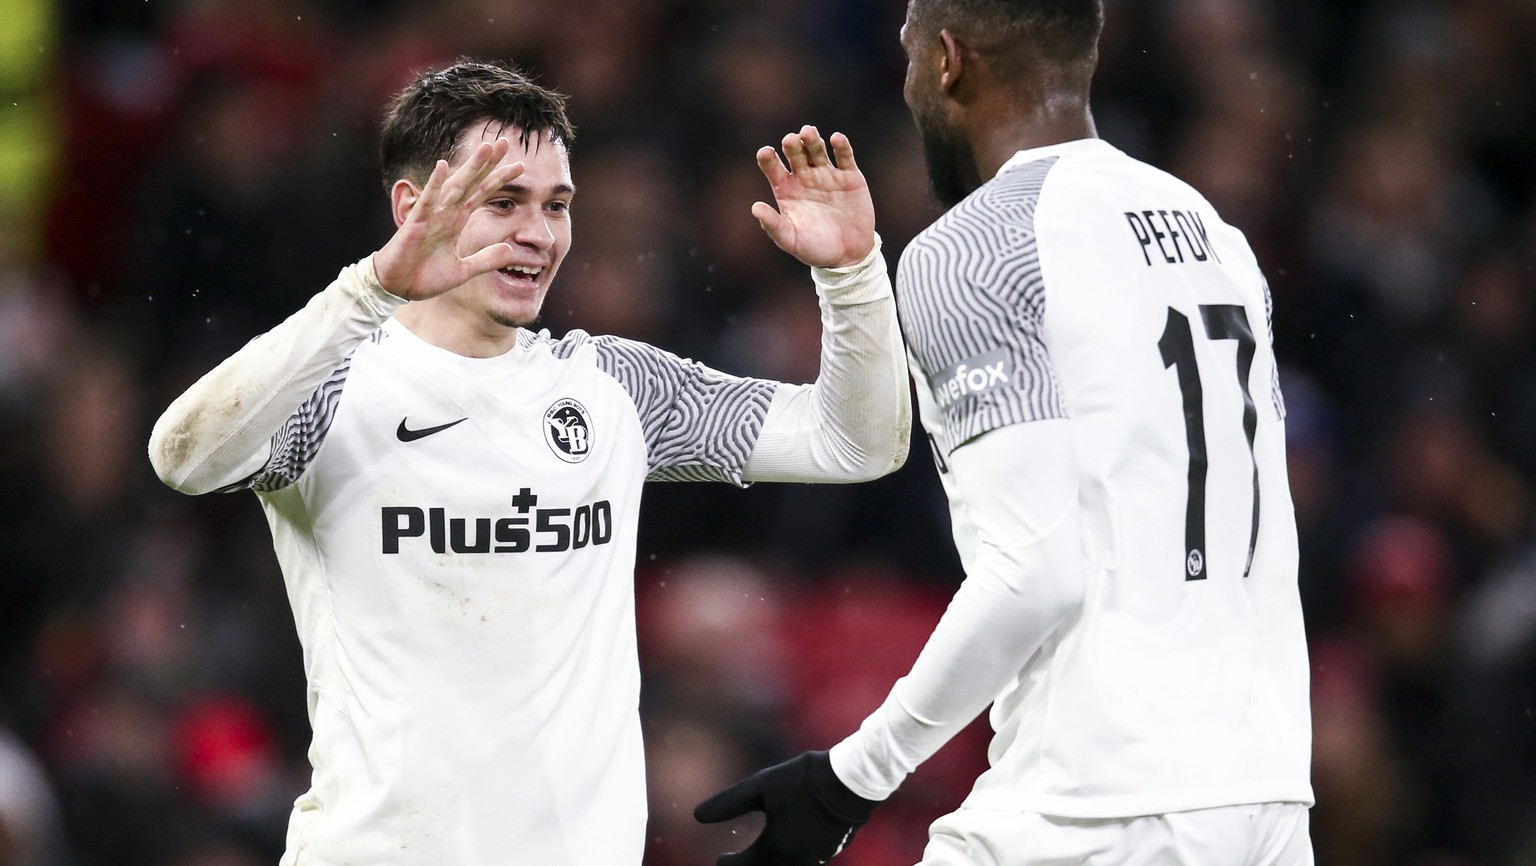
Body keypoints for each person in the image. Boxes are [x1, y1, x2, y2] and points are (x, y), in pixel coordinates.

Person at [148, 60, 910, 865]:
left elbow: (855, 442)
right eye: (504, 202)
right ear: (413, 208)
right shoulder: (331, 387)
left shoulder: (617, 387)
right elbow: (182, 458)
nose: (540, 235)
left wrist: (852, 275)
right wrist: (371, 287)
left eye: (557, 206)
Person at [695, 1, 1314, 864]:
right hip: (1266, 796)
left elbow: (1037, 569)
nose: (908, 86)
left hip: (1099, 809)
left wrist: (852, 775)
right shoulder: (1213, 231)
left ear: (948, 60)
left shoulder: (980, 244)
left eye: (910, 56)